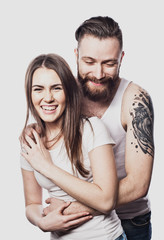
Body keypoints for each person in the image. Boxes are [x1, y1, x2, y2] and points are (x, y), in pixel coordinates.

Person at [42, 16, 154, 240]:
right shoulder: (61, 94)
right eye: (89, 62)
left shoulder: (134, 100)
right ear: (76, 56)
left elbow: (138, 184)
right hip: (78, 228)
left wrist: (70, 209)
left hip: (129, 222)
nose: (99, 73)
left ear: (121, 59)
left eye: (109, 63)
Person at [20, 53, 127, 239]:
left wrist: (47, 167)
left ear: (68, 91)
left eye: (56, 88)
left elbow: (106, 200)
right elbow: (31, 203)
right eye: (38, 89)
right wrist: (42, 222)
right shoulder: (31, 142)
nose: (48, 98)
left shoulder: (92, 129)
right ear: (30, 95)